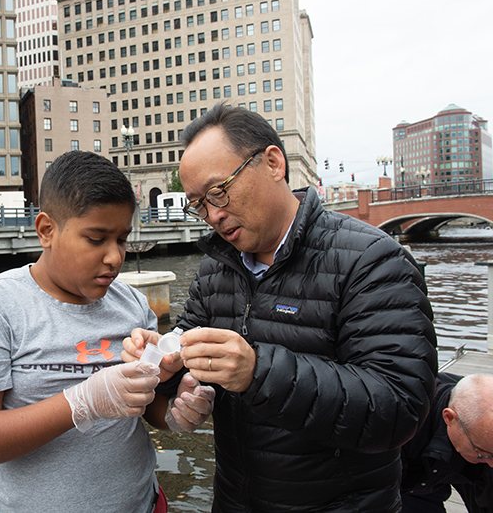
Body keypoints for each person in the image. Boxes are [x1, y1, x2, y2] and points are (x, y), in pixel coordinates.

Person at [123, 104, 438, 512]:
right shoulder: (216, 268)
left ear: (273, 163)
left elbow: (399, 408)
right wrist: (162, 363)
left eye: (220, 191)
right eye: (199, 204)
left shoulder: (372, 260)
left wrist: (258, 372)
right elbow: (188, 359)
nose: (214, 215)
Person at [0, 150, 215, 513]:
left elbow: (148, 408)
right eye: (96, 238)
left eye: (121, 239)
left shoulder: (132, 305)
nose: (115, 257)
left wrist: (177, 412)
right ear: (46, 230)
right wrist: (82, 402)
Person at [401, 372, 493, 513]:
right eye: (485, 454)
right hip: (406, 478)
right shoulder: (402, 421)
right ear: (449, 418)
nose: (492, 463)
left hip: (458, 471)